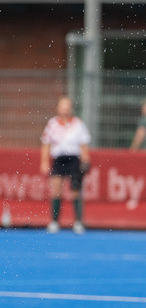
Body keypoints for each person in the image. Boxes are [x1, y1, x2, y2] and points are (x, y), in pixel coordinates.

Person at [40, 96, 91, 234]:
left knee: (75, 191)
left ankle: (78, 222)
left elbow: (83, 145)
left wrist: (86, 160)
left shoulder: (78, 124)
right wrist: (44, 162)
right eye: (62, 105)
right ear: (57, 108)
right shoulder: (52, 124)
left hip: (74, 159)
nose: (65, 108)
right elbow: (46, 144)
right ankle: (55, 222)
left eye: (67, 105)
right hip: (59, 159)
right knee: (56, 190)